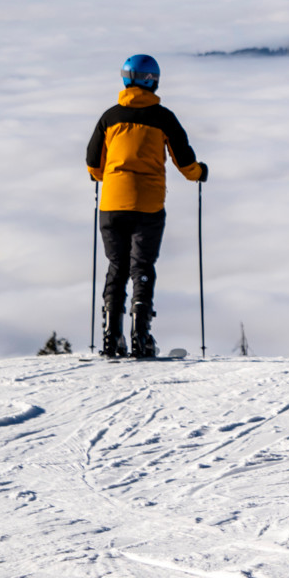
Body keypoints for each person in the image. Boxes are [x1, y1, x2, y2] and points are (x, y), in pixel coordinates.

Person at [85, 55, 207, 359]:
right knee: (142, 267)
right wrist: (200, 173)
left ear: (125, 79)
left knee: (117, 266)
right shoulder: (164, 118)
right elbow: (185, 162)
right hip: (149, 205)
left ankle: (111, 338)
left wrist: (108, 177)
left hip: (112, 205)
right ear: (154, 80)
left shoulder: (109, 118)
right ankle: (141, 337)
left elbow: (92, 163)